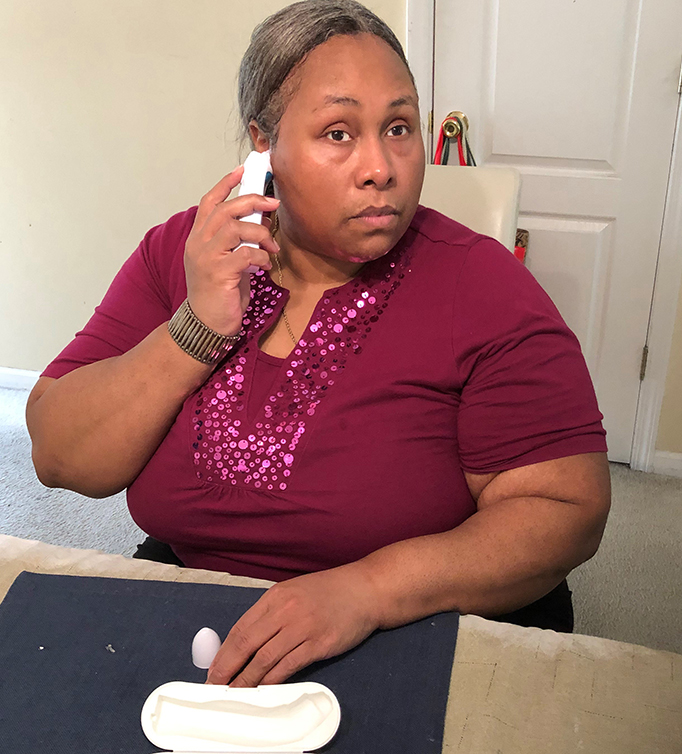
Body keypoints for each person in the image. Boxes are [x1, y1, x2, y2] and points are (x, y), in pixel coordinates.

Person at [26, 0, 611, 688]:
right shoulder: (184, 253)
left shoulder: (483, 288)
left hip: (405, 625)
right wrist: (196, 328)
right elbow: (61, 457)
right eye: (339, 132)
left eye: (398, 127)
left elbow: (566, 511)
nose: (382, 167)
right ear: (263, 144)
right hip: (201, 619)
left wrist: (368, 591)